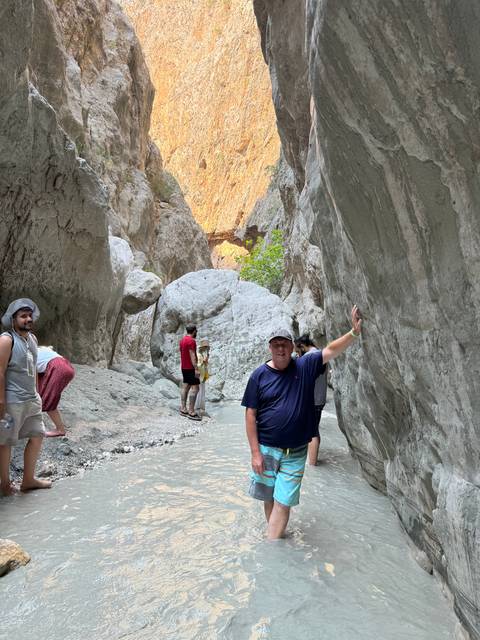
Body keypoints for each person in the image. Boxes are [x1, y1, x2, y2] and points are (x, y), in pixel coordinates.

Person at [242, 305, 362, 540]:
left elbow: (330, 351)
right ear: (270, 347)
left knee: (283, 501)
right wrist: (255, 453)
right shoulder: (259, 375)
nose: (280, 349)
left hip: (295, 452)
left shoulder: (305, 365)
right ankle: (274, 541)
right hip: (266, 448)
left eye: (284, 344)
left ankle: (271, 544)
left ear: (291, 347)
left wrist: (354, 333)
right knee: (269, 496)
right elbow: (250, 415)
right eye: (276, 344)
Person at [0, 298, 51, 496]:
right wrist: (1, 400)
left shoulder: (33, 339)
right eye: (23, 316)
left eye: (29, 316)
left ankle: (28, 480)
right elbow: (0, 371)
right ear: (13, 320)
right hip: (12, 401)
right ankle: (5, 485)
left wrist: (37, 393)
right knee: (5, 441)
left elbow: (34, 370)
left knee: (37, 436)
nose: (28, 319)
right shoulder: (6, 340)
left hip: (31, 400)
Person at [294, 334, 327, 465]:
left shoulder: (310, 357)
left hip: (311, 399)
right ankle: (313, 460)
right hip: (319, 399)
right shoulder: (320, 354)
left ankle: (312, 465)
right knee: (313, 429)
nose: (297, 354)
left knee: (312, 431)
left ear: (302, 346)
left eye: (297, 350)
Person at [37, 346, 75, 437]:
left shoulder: (26, 355)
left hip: (57, 368)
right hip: (66, 365)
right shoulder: (39, 349)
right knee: (44, 397)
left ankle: (60, 430)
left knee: (48, 401)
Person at [179, 324, 201, 421]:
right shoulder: (191, 341)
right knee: (195, 388)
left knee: (186, 386)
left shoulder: (182, 340)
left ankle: (183, 409)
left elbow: (182, 352)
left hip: (184, 367)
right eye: (196, 331)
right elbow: (192, 355)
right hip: (191, 368)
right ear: (194, 331)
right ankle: (191, 411)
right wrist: (196, 368)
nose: (197, 332)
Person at [194, 339, 210, 415]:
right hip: (198, 374)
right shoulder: (197, 354)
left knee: (202, 390)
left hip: (202, 374)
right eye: (205, 347)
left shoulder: (202, 354)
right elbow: (198, 365)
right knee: (198, 389)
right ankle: (196, 407)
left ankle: (201, 407)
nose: (206, 349)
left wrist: (206, 360)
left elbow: (205, 364)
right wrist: (204, 361)